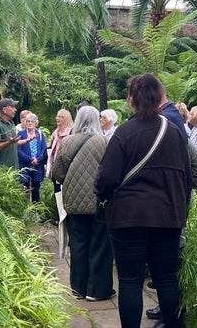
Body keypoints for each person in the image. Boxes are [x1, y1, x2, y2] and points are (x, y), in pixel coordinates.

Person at [96, 73, 191, 328]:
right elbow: (189, 175)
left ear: (131, 101)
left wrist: (104, 198)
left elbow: (105, 179)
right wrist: (181, 211)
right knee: (167, 279)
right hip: (168, 216)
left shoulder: (124, 133)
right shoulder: (173, 132)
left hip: (128, 218)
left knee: (129, 281)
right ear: (161, 98)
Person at [52, 106, 115, 302]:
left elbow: (57, 173)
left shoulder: (67, 141)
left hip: (74, 202)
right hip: (98, 201)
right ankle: (97, 289)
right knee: (100, 245)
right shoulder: (103, 141)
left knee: (78, 245)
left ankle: (78, 289)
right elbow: (110, 171)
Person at [17, 113, 47, 204]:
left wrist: (38, 159)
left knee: (36, 188)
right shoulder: (20, 133)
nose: (30, 123)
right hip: (25, 164)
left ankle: (36, 210)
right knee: (24, 188)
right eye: (28, 121)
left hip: (38, 165)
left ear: (36, 123)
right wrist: (30, 160)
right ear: (25, 123)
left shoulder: (40, 134)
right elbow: (18, 150)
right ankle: (25, 210)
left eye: (32, 121)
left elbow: (44, 149)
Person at [48, 109, 74, 192]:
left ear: (66, 118)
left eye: (60, 116)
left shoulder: (71, 132)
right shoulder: (55, 133)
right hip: (55, 168)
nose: (57, 118)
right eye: (57, 116)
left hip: (66, 168)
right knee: (57, 192)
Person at [0, 98, 20, 169]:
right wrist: (9, 143)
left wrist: (27, 141)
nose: (15, 110)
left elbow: (14, 143)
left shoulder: (11, 123)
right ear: (4, 110)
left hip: (14, 167)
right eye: (12, 107)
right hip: (1, 168)